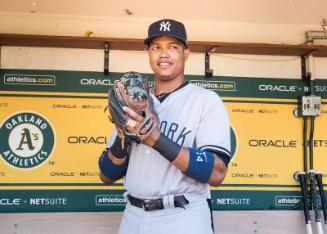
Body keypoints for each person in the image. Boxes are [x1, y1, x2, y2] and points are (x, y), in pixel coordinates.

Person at [98, 19, 231, 234]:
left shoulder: (205, 100)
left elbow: (217, 173)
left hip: (183, 216)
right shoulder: (136, 104)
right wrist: (123, 137)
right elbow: (106, 175)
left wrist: (154, 138)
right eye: (156, 47)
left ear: (186, 53)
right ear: (149, 53)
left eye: (173, 47)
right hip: (133, 215)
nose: (163, 54)